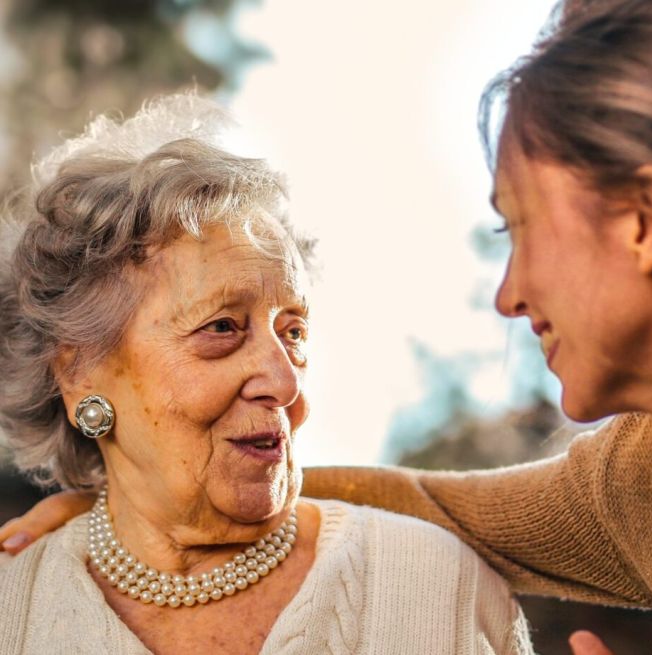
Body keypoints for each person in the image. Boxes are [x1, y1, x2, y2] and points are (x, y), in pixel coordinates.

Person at [7, 0, 652, 653]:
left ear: (645, 220)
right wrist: (129, 490)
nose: (507, 294)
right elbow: (440, 503)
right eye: (221, 330)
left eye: (520, 228)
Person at [0, 94, 533, 655]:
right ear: (78, 370)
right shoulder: (13, 608)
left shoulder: (438, 590)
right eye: (223, 327)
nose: (286, 385)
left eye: (294, 332)